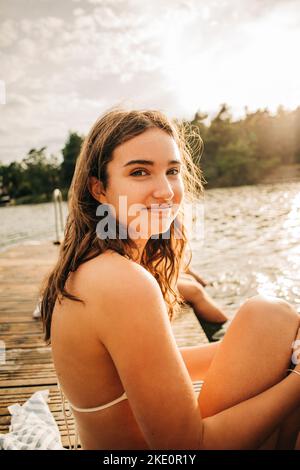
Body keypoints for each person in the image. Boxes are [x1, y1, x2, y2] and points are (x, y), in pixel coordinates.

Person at [40, 107, 300, 450]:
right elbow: (187, 448)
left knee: (269, 320)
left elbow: (151, 371)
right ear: (99, 188)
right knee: (271, 323)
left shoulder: (95, 265)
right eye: (139, 172)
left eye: (172, 171)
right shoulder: (121, 282)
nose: (164, 190)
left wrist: (275, 353)